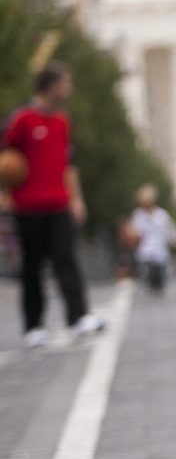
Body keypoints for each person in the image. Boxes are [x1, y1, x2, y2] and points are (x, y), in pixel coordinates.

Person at [1, 61, 105, 346]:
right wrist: (5, 193)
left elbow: (68, 164)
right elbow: (5, 156)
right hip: (27, 206)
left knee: (66, 260)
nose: (68, 89)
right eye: (65, 83)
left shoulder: (62, 121)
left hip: (58, 203)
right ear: (51, 86)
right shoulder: (21, 119)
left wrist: (76, 199)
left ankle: (78, 317)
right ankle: (33, 326)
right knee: (31, 266)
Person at [130, 184, 176, 294]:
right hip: (146, 249)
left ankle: (158, 286)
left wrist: (174, 239)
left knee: (159, 274)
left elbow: (170, 229)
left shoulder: (161, 214)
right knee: (149, 271)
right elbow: (135, 232)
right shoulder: (138, 215)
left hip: (160, 248)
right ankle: (151, 285)